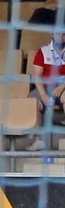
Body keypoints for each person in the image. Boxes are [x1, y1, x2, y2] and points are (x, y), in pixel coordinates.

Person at [30, 22, 65, 150]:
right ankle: (38, 139)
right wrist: (44, 95)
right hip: (45, 88)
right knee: (32, 101)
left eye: (63, 34)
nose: (61, 36)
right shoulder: (43, 52)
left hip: (63, 88)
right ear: (51, 34)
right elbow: (37, 76)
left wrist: (62, 86)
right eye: (58, 33)